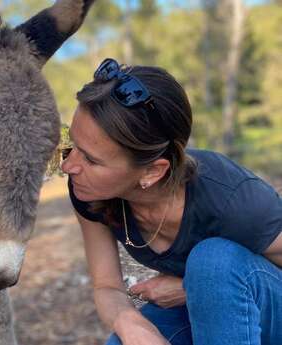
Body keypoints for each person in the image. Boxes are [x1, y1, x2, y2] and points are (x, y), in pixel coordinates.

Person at [60, 58, 282, 345]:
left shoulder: (233, 199)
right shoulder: (88, 192)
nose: (68, 166)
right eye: (73, 145)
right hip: (211, 310)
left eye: (90, 159)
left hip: (265, 310)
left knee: (212, 262)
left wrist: (195, 288)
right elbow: (106, 286)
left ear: (152, 171)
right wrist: (134, 326)